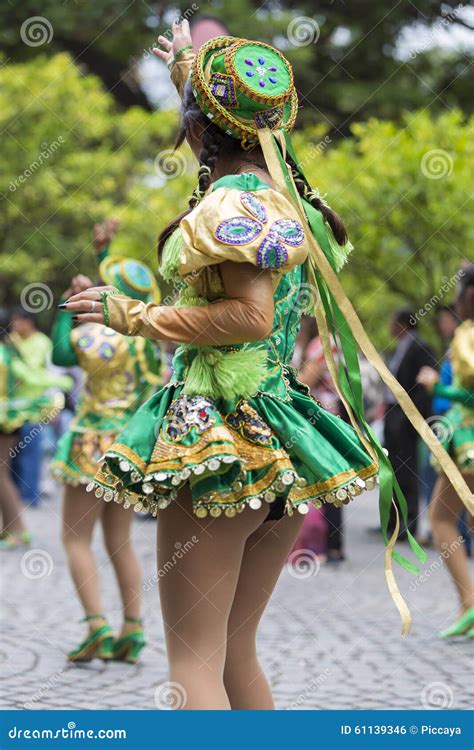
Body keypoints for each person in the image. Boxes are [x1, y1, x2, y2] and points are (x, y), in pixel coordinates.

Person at [59, 28, 470, 708]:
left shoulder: (231, 206)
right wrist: (190, 74)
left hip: (220, 445)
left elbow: (247, 318)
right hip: (279, 443)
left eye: (188, 113)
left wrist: (134, 314)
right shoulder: (285, 203)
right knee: (232, 655)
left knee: (193, 661)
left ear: (197, 131)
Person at [51, 221, 162, 662]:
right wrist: (104, 255)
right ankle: (132, 629)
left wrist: (66, 306)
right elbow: (118, 294)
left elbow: (61, 353)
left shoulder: (92, 335)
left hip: (91, 441)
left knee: (75, 539)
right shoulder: (146, 339)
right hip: (128, 447)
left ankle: (96, 624)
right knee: (120, 541)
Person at [417, 265, 474, 638]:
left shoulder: (467, 333)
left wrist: (438, 385)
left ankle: (469, 604)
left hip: (467, 437)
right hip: (460, 438)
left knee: (441, 517)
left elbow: (470, 393)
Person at [0, 312, 72, 549]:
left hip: (8, 420)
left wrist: (62, 385)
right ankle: (13, 529)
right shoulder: (10, 351)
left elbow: (30, 377)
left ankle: (17, 530)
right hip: (14, 417)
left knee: (4, 475)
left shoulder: (7, 353)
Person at [383, 310, 435, 537]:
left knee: (407, 471)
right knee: (392, 468)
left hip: (407, 416)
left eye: (392, 322)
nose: (389, 327)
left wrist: (411, 416)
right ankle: (392, 521)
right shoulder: (398, 349)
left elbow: (425, 388)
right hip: (392, 413)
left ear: (403, 324)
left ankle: (409, 524)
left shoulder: (420, 347)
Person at [8, 309, 63, 506]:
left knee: (31, 455)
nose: (15, 326)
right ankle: (13, 498)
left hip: (35, 410)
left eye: (18, 322)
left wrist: (55, 404)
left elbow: (53, 373)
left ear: (29, 322)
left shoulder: (43, 343)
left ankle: (29, 497)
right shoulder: (12, 340)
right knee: (11, 458)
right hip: (10, 411)